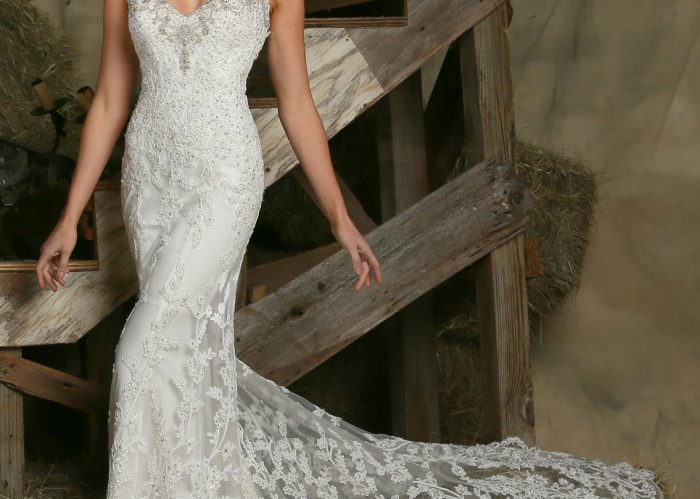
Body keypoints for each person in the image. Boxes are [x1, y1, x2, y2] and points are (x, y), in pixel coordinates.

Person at [35, 0, 663, 497]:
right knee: (183, 349)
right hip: (151, 181)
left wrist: (339, 218)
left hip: (223, 177)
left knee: (145, 342)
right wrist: (69, 218)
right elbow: (111, 99)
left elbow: (296, 102)